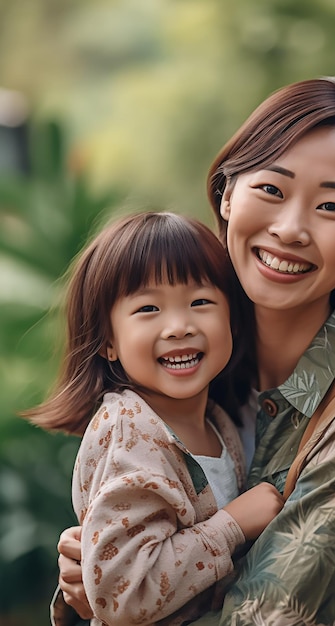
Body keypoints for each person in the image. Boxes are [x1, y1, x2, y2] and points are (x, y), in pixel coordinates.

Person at [55, 76, 335, 625]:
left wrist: (122, 604)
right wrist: (90, 589)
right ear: (229, 193)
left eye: (331, 206)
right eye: (272, 190)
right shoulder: (184, 378)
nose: (291, 229)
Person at [24, 211, 284, 626]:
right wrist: (232, 525)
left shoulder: (217, 420)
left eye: (201, 302)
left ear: (231, 318)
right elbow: (121, 593)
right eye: (148, 308)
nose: (179, 326)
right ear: (108, 341)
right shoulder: (131, 432)